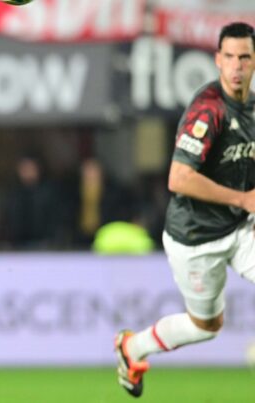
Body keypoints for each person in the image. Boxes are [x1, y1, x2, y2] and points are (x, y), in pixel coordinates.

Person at [115, 22, 255, 398]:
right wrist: (243, 198)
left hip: (242, 229)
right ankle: (134, 348)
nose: (237, 66)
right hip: (195, 238)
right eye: (230, 58)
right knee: (206, 327)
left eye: (245, 57)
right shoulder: (208, 111)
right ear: (217, 61)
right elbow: (178, 178)